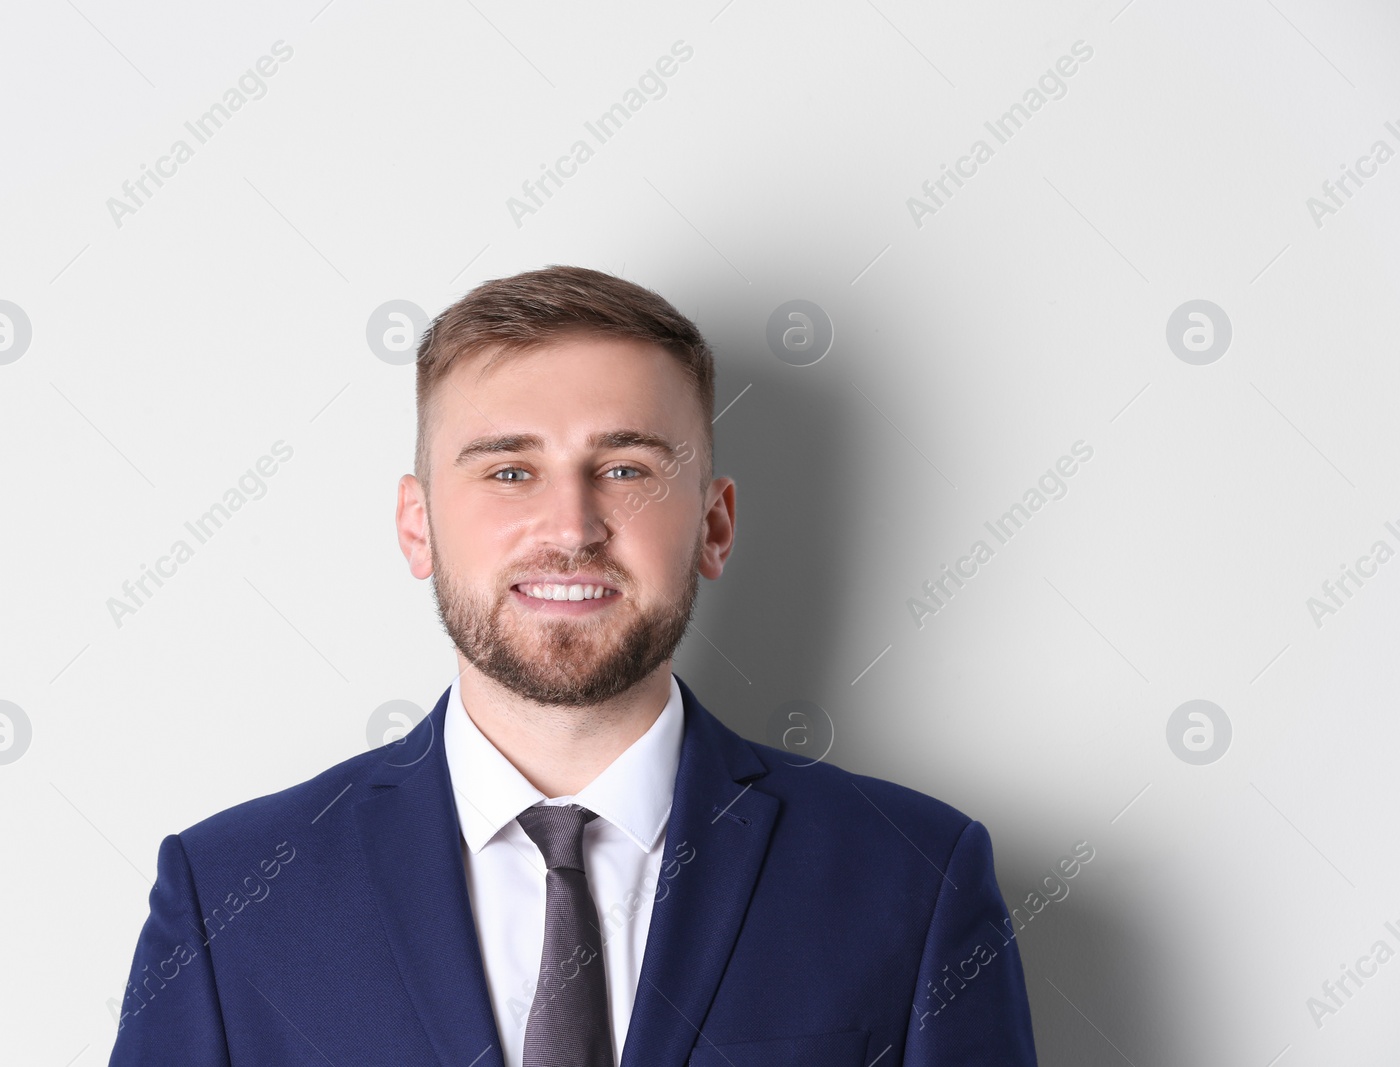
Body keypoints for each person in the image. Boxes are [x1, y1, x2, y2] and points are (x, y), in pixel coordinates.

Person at [106, 266, 1038, 1066]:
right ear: (416, 522)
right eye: (509, 470)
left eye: (626, 468)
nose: (570, 527)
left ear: (713, 524)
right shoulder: (228, 897)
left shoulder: (913, 878)